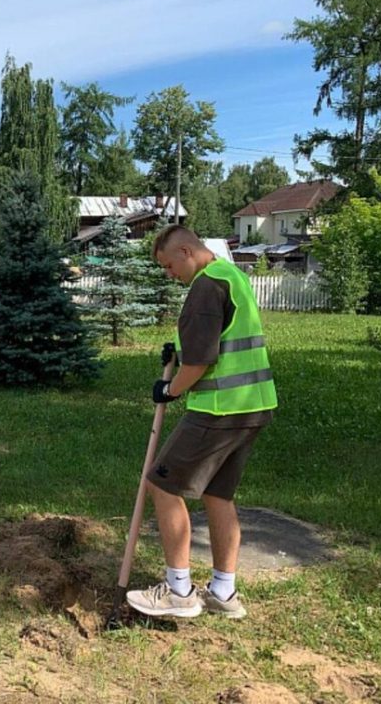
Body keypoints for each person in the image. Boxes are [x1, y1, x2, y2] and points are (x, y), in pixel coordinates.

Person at [126, 225, 277, 620]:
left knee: (161, 484)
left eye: (168, 265)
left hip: (220, 410)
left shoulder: (206, 287)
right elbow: (223, 337)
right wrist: (178, 346)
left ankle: (179, 592)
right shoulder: (233, 276)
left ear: (187, 250)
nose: (168, 274)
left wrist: (170, 390)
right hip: (254, 405)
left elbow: (202, 361)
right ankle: (223, 593)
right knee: (217, 496)